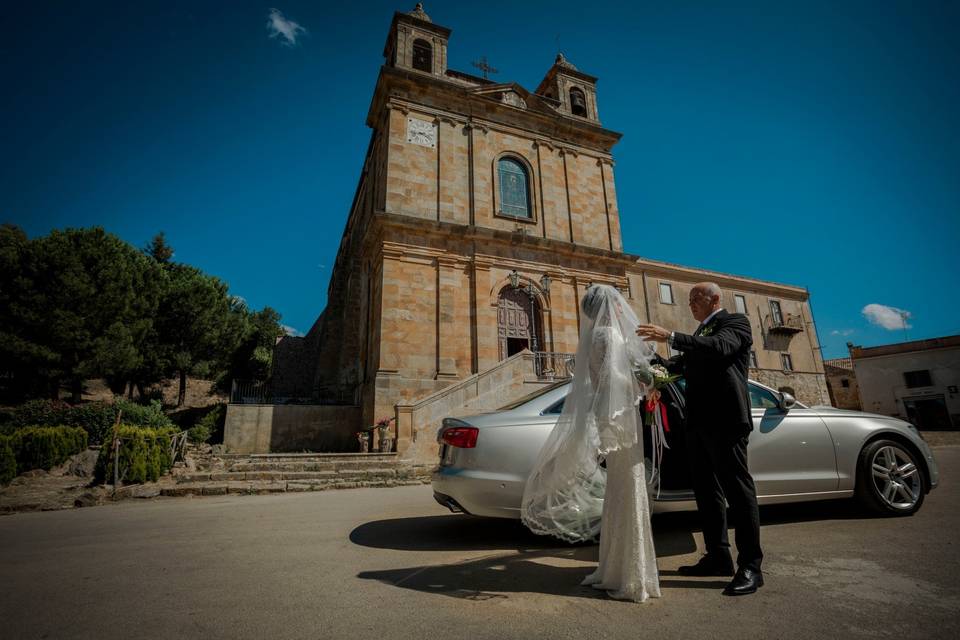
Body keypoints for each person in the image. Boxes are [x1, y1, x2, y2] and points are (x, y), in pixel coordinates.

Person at [521, 284, 661, 603]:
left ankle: (613, 566)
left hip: (610, 420)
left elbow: (600, 382)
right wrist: (648, 381)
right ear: (610, 307)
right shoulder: (610, 336)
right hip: (622, 422)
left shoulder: (595, 337)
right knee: (630, 489)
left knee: (619, 491)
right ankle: (630, 575)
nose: (623, 309)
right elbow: (614, 382)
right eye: (618, 304)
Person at [636, 281, 764, 596]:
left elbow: (720, 348)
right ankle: (718, 555)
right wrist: (643, 360)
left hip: (726, 421)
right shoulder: (697, 339)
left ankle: (751, 565)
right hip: (697, 425)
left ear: (715, 299)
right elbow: (672, 369)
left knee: (738, 490)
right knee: (707, 494)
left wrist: (671, 337)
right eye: (689, 299)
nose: (691, 303)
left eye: (697, 298)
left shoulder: (735, 323)